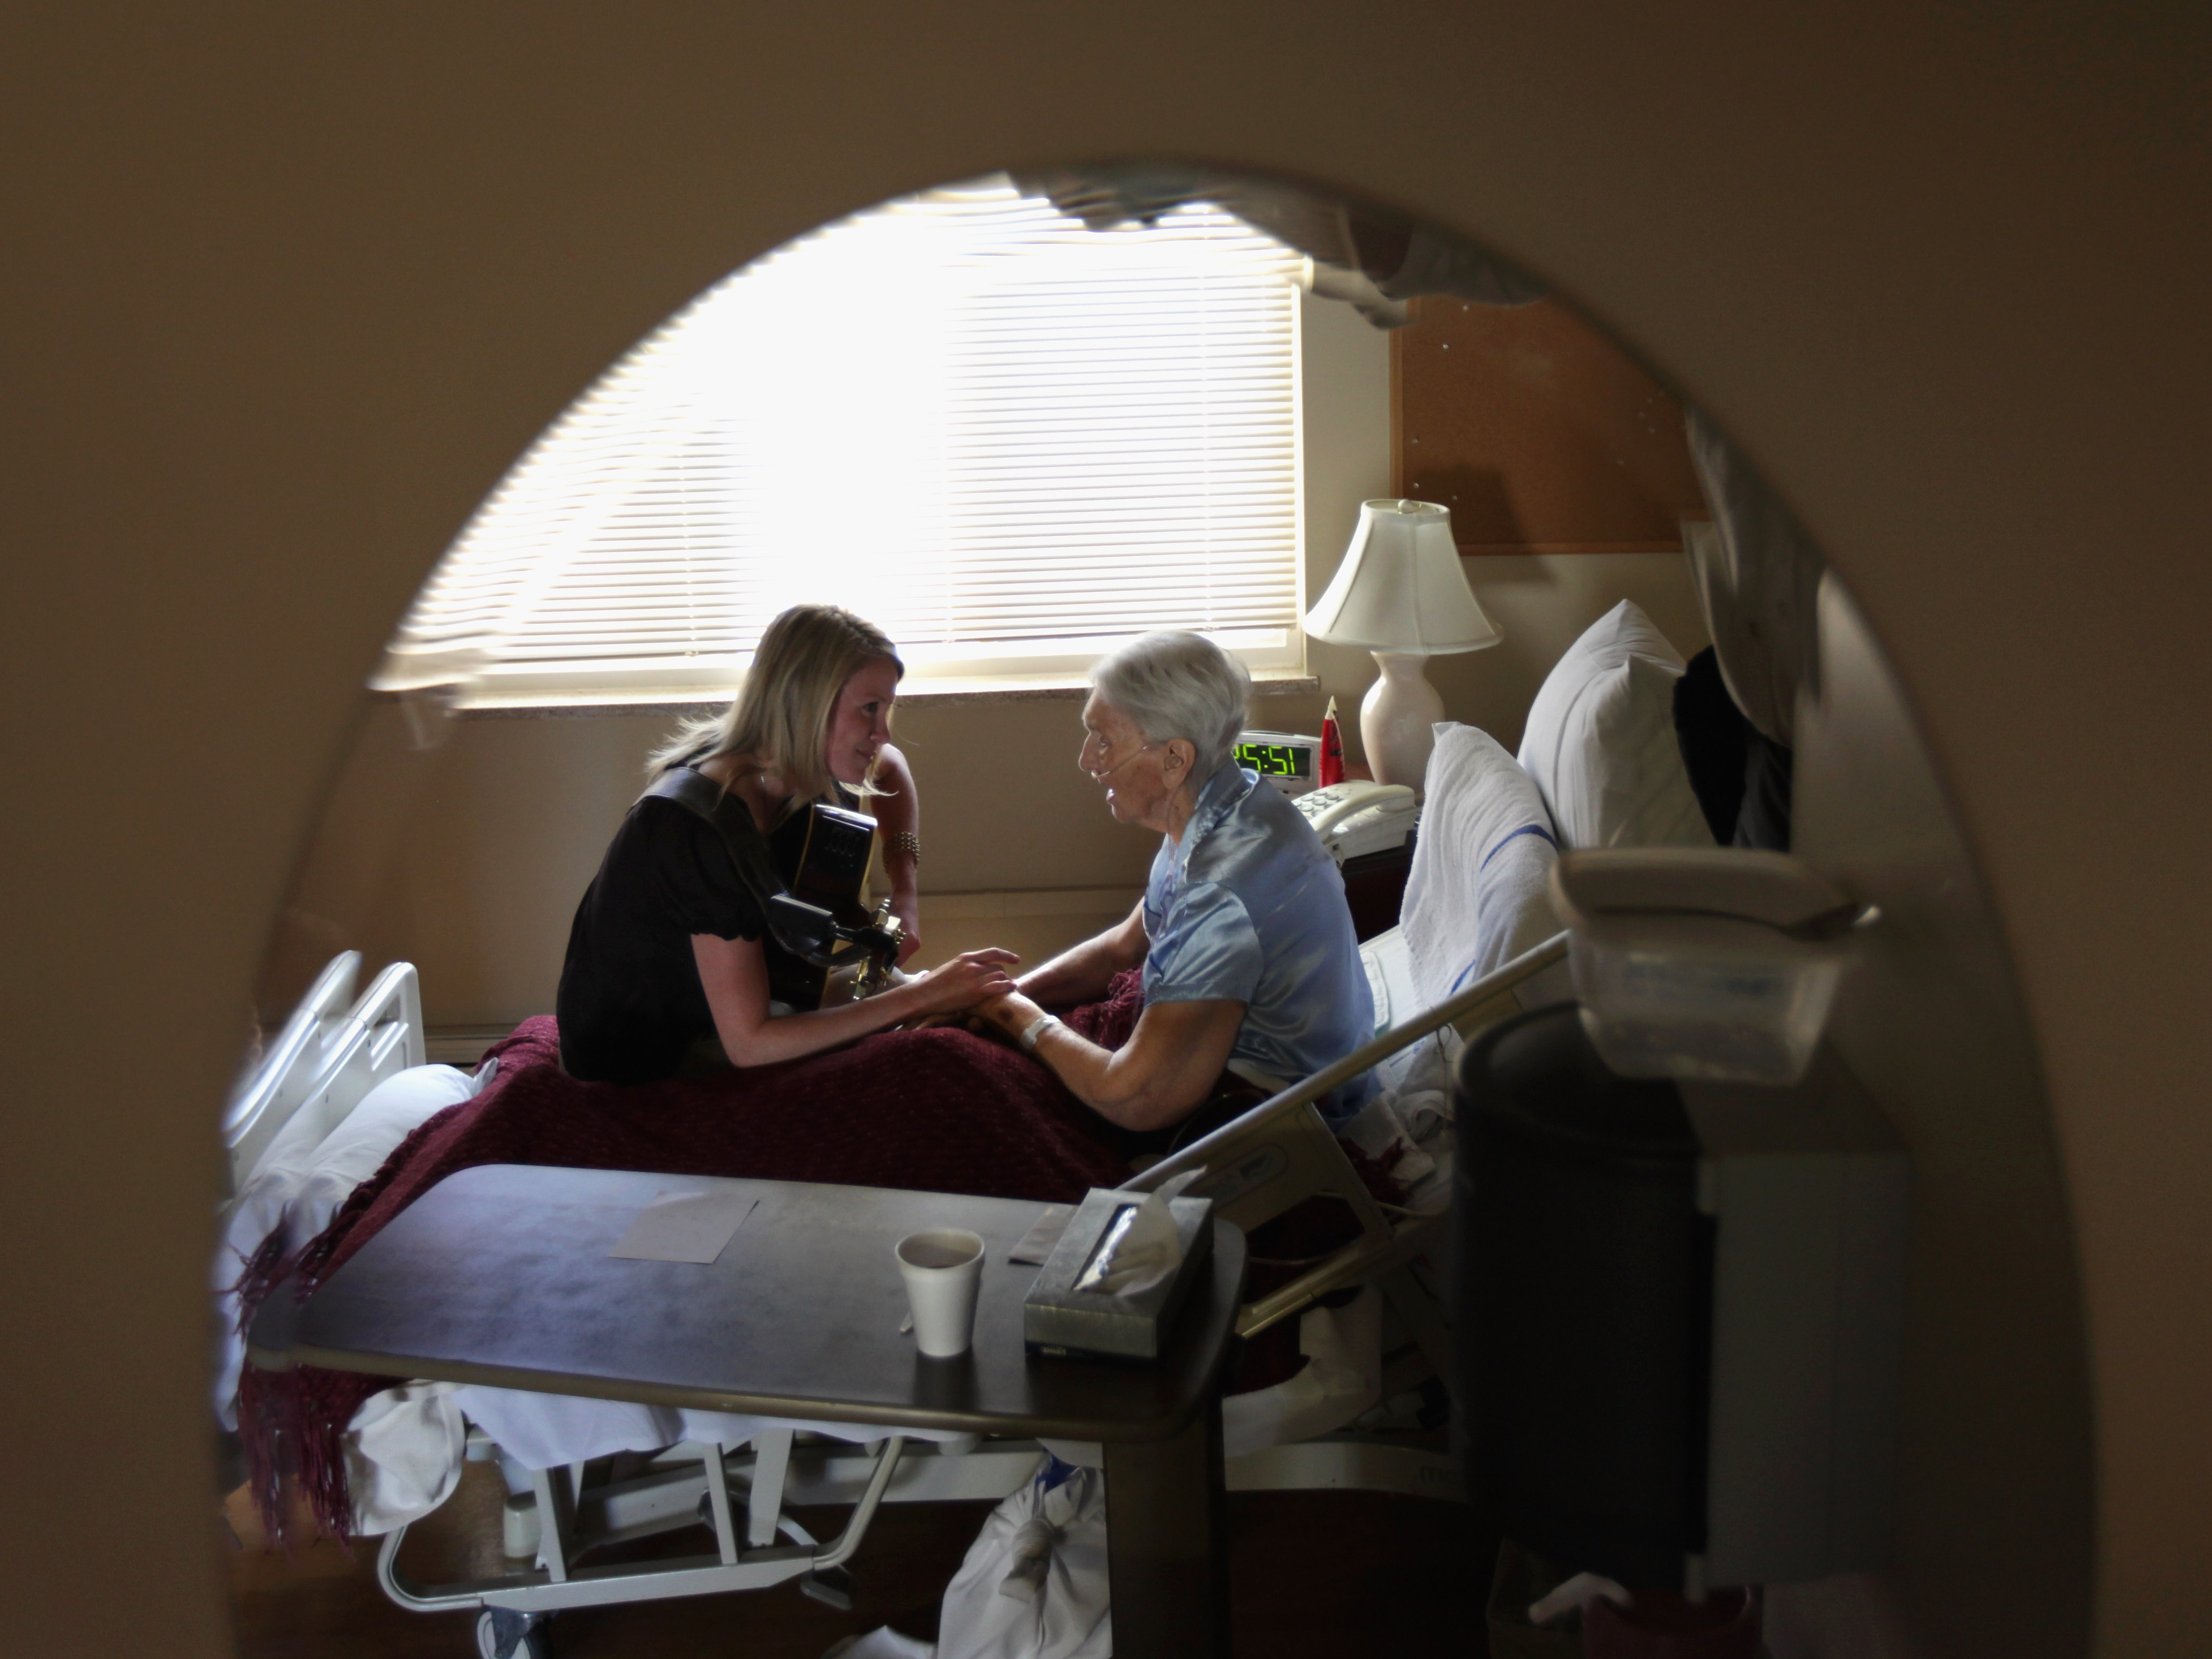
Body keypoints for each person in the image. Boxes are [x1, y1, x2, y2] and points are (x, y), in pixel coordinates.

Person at [556, 604, 1018, 1083]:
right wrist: (923, 996)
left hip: (744, 1007)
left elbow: (892, 764)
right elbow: (750, 1044)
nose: (882, 732)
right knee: (919, 1055)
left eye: (887, 708)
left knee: (953, 1022)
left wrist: (905, 893)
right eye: (869, 709)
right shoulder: (695, 826)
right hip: (641, 1062)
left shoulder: (797, 762)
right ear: (805, 704)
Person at [967, 632, 1374, 1139]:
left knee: (959, 1094)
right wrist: (995, 996)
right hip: (1224, 1083)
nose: (1087, 761)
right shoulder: (1227, 805)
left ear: (1174, 758)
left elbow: (1136, 1099)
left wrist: (1008, 1013)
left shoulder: (1221, 889)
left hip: (1265, 1119)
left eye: (1104, 740)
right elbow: (1121, 950)